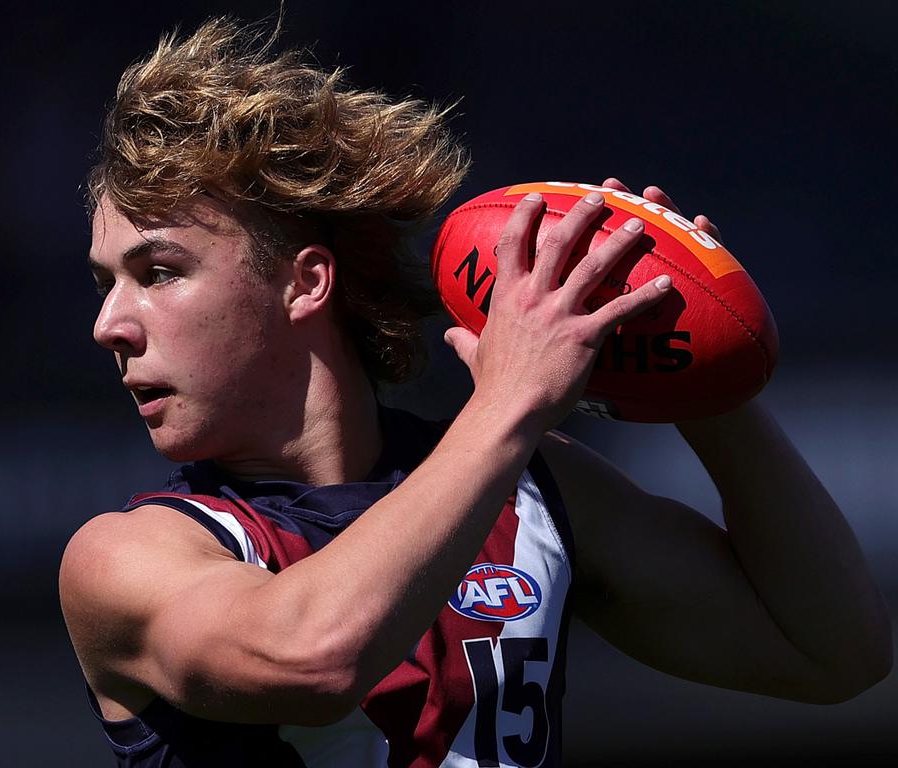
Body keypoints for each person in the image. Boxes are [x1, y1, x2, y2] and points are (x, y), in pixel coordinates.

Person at [59, 15, 892, 768]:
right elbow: (310, 658)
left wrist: (699, 368)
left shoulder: (535, 490)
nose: (109, 325)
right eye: (106, 282)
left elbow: (833, 655)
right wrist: (509, 401)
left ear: (304, 283)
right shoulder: (126, 559)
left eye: (158, 273)